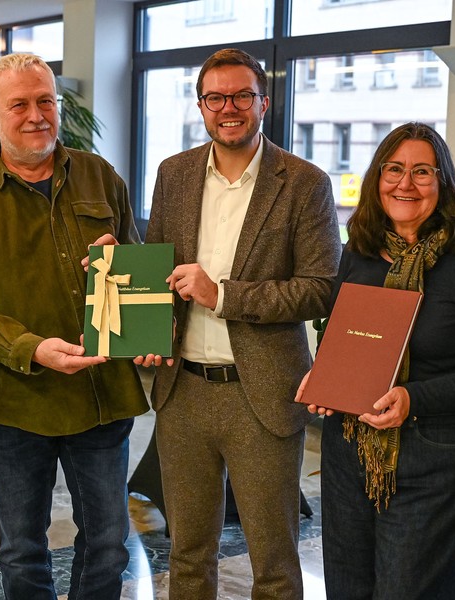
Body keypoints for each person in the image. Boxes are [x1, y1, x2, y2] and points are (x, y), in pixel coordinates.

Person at [0, 53, 148, 600]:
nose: (36, 115)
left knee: (109, 544)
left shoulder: (100, 175)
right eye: (19, 104)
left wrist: (123, 263)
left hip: (100, 395)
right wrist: (31, 348)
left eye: (45, 101)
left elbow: (135, 264)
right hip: (15, 399)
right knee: (22, 549)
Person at [140, 48, 341, 599]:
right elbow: (158, 267)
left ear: (263, 103)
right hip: (182, 391)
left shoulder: (304, 182)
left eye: (241, 96)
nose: (228, 108)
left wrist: (223, 295)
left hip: (262, 394)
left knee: (273, 564)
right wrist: (132, 300)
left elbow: (321, 288)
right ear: (201, 106)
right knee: (186, 554)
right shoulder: (174, 173)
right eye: (216, 97)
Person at [297, 122, 455, 599]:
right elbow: (340, 338)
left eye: (422, 171)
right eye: (394, 169)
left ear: (443, 181)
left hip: (435, 457)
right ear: (377, 178)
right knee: (347, 589)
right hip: (350, 451)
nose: (405, 183)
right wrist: (325, 379)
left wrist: (413, 397)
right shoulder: (360, 250)